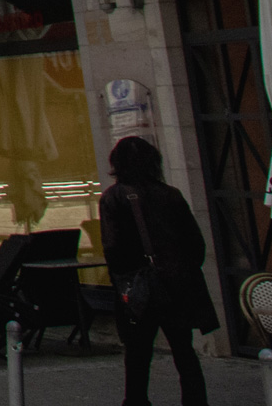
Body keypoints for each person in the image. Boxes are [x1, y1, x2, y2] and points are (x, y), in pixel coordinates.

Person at [103, 136, 214, 406]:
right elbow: (196, 244)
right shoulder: (171, 194)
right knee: (183, 350)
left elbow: (113, 247)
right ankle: (196, 401)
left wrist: (124, 282)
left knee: (138, 353)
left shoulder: (114, 197)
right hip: (176, 282)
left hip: (139, 285)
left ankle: (137, 401)